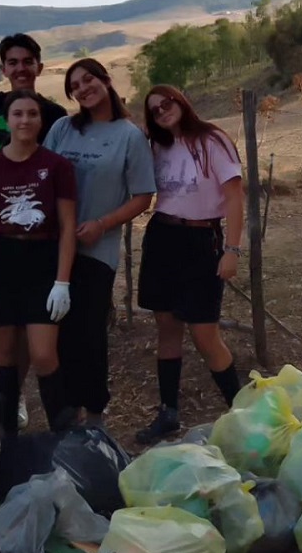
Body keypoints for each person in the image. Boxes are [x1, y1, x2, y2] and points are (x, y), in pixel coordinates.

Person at [0, 33, 69, 427]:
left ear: (39, 66)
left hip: (40, 236)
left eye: (28, 61)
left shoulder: (56, 114)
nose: (21, 67)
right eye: (13, 61)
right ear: (3, 68)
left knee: (32, 329)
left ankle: (17, 395)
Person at [43, 58, 156, 428]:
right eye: (74, 85)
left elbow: (143, 196)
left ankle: (93, 416)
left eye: (88, 79)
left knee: (88, 335)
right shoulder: (62, 128)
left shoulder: (130, 136)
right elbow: (40, 174)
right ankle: (63, 415)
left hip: (95, 250)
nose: (82, 88)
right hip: (52, 246)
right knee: (53, 332)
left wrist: (102, 224)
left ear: (106, 80)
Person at [135, 85, 245, 444]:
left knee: (205, 334)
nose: (163, 111)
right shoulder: (157, 147)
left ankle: (243, 414)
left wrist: (232, 249)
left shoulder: (212, 139)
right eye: (154, 110)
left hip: (202, 241)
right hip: (163, 237)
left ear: (181, 101)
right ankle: (168, 413)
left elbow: (233, 197)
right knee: (166, 327)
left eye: (167, 103)